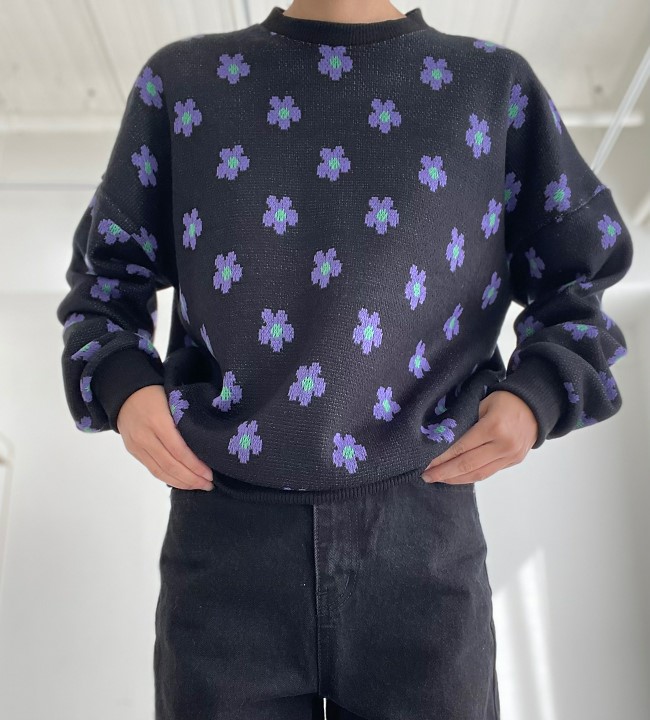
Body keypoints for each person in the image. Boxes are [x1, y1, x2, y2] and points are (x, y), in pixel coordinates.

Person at [56, 1, 634, 718]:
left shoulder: (492, 87)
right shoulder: (183, 83)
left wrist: (538, 393)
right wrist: (123, 385)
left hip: (423, 534)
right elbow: (104, 284)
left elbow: (579, 274)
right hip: (226, 534)